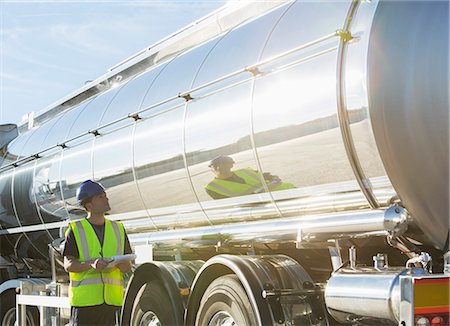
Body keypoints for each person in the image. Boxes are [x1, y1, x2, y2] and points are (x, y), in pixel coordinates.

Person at [63, 180, 132, 326]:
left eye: (105, 195)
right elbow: (69, 265)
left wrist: (123, 265)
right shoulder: (76, 229)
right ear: (89, 205)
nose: (106, 198)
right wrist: (91, 264)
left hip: (111, 304)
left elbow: (127, 265)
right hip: (84, 305)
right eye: (100, 196)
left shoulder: (118, 228)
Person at [205, 155, 295, 199]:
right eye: (214, 166)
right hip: (269, 204)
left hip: (289, 191)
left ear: (231, 165)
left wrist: (274, 178)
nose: (218, 167)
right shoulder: (212, 188)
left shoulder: (246, 172)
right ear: (211, 169)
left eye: (222, 164)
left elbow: (269, 176)